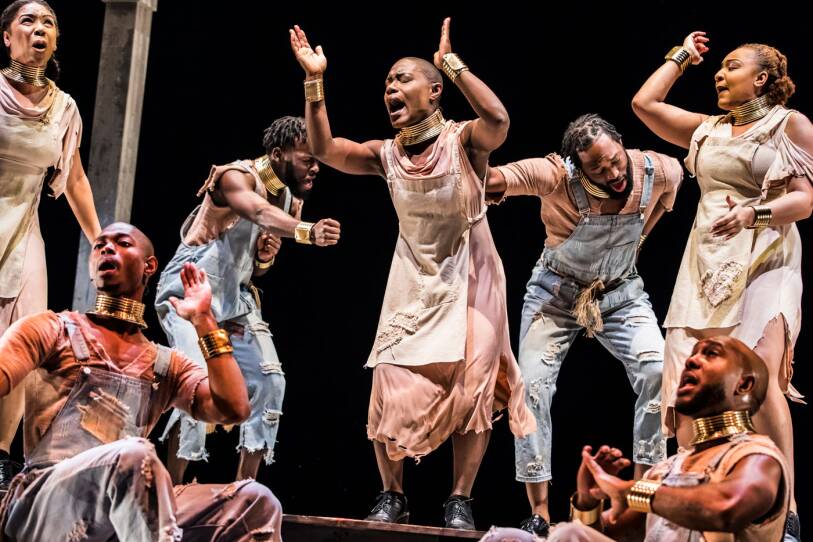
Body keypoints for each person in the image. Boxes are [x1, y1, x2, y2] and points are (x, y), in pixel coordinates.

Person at [289, 18, 535, 530]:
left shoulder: (464, 141)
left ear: (434, 91)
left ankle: (460, 499)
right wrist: (314, 80)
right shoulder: (386, 155)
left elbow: (498, 118)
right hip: (414, 277)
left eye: (402, 79)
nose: (390, 89)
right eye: (386, 84)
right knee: (389, 377)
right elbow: (325, 149)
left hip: (472, 273)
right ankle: (392, 493)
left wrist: (452, 63)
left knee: (472, 385)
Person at [631, 31, 813, 538]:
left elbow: (804, 200)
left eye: (731, 66)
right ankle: (698, 499)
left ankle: (786, 505)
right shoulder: (706, 129)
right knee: (693, 383)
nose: (719, 73)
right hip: (705, 261)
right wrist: (682, 56)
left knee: (761, 370)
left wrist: (754, 213)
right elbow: (644, 104)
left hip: (765, 257)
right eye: (720, 66)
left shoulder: (788, 124)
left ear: (762, 78)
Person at [0, 222, 281, 541]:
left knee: (255, 500)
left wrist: (204, 322)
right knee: (134, 456)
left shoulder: (165, 364)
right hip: (46, 500)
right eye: (100, 246)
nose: (107, 248)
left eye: (122, 243)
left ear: (150, 266)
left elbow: (234, 408)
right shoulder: (52, 329)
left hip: (117, 508)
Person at [484, 113, 683, 536]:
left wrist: (639, 240)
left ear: (622, 145)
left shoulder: (658, 170)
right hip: (555, 296)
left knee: (657, 370)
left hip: (621, 294)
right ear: (578, 167)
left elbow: (673, 189)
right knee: (531, 386)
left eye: (615, 161)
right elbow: (501, 178)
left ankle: (642, 497)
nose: (612, 174)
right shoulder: (557, 176)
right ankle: (539, 510)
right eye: (598, 169)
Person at [156, 115, 340, 483]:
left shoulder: (288, 198)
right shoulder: (234, 176)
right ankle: (171, 493)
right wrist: (307, 232)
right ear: (278, 154)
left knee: (270, 381)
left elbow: (254, 268)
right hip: (189, 290)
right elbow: (256, 211)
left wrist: (265, 258)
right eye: (308, 159)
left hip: (233, 298)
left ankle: (244, 490)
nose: (316, 168)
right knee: (196, 380)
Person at [481, 336, 789, 542]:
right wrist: (588, 500)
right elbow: (610, 535)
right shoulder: (667, 470)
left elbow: (726, 508)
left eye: (711, 354)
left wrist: (630, 490)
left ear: (744, 385)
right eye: (692, 354)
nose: (692, 361)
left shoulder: (758, 456)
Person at [0, 0, 101, 487]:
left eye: (48, 23)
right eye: (28, 21)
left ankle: (1, 458)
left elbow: (74, 177)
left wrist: (100, 239)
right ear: (7, 37)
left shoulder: (64, 108)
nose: (39, 28)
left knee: (23, 341)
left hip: (24, 231)